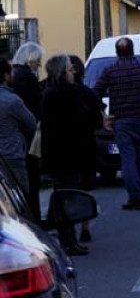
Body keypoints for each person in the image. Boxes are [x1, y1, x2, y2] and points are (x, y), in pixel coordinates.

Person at [41, 55, 102, 256]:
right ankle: (69, 239)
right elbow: (89, 120)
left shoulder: (49, 94)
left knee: (62, 195)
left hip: (57, 153)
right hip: (73, 152)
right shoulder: (71, 94)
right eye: (68, 69)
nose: (72, 72)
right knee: (70, 195)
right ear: (61, 72)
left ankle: (67, 237)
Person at [93, 37, 140, 210]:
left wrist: (104, 114)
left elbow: (95, 93)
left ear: (117, 52)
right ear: (133, 50)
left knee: (127, 159)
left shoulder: (110, 71)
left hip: (121, 121)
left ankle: (134, 197)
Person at [69, 55, 103, 243]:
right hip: (85, 144)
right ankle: (85, 225)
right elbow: (97, 121)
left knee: (67, 185)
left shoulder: (50, 92)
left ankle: (68, 228)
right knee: (84, 186)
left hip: (64, 147)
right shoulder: (87, 93)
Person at [10, 42, 44, 220]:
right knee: (32, 179)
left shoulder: (14, 75)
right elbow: (35, 106)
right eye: (37, 60)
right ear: (30, 59)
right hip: (28, 136)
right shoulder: (28, 78)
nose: (39, 64)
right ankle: (35, 219)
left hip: (16, 135)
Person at [0, 58, 36, 193]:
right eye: (11, 72)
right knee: (18, 197)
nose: (14, 75)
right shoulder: (12, 101)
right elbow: (31, 123)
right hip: (12, 157)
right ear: (5, 76)